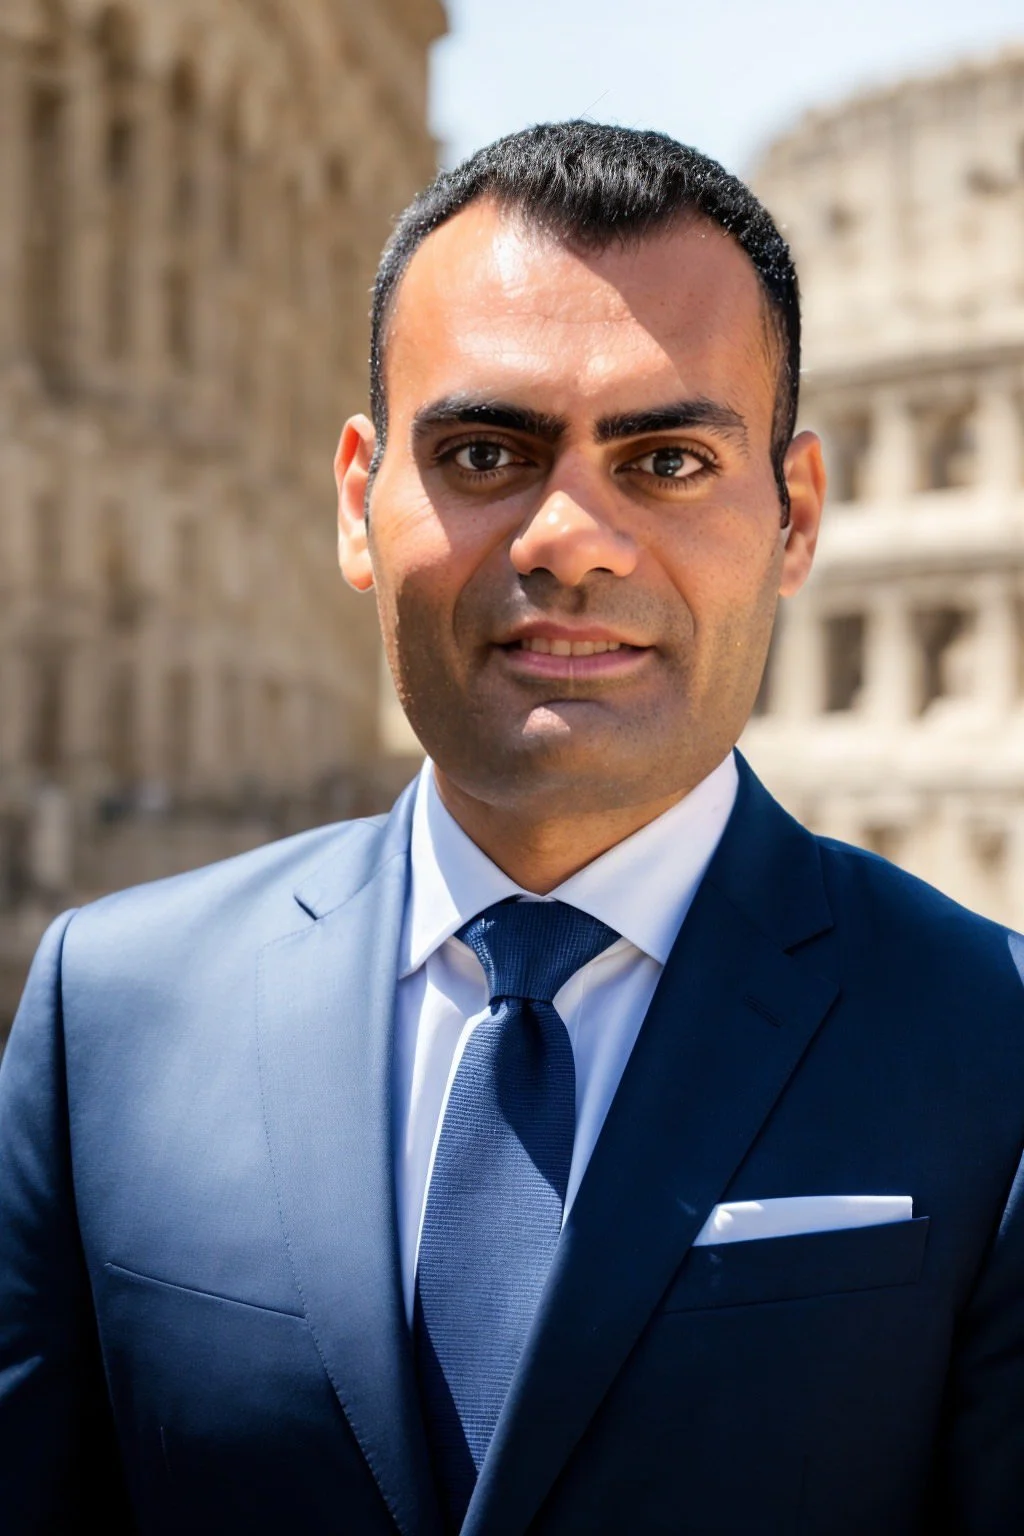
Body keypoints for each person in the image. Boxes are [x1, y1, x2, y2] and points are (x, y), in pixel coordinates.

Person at [2, 121, 1023, 1536]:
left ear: (794, 520)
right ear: (360, 501)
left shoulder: (994, 1040)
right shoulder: (105, 1012)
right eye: (486, 451)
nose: (569, 539)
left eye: (666, 462)